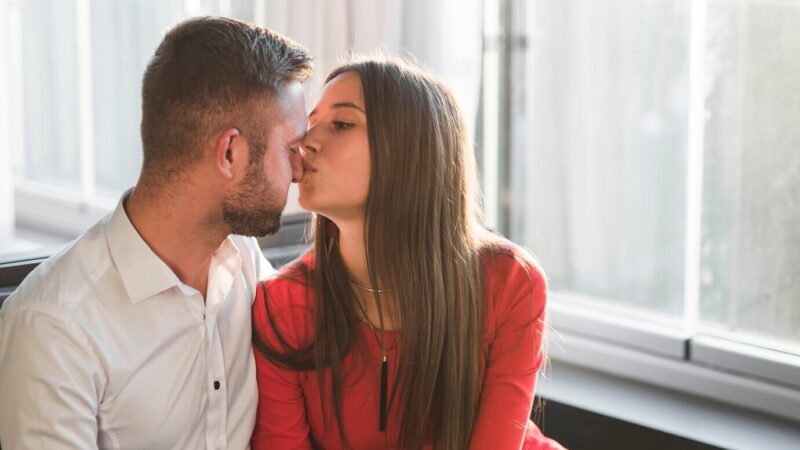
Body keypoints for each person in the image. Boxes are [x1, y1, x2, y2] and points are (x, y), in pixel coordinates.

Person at [0, 16, 312, 449]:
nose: (300, 170)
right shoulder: (54, 328)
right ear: (230, 152)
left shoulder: (242, 258)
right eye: (291, 148)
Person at [251, 58, 564, 449]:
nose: (306, 142)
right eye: (311, 124)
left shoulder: (510, 282)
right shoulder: (280, 307)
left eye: (342, 124)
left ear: (411, 150)